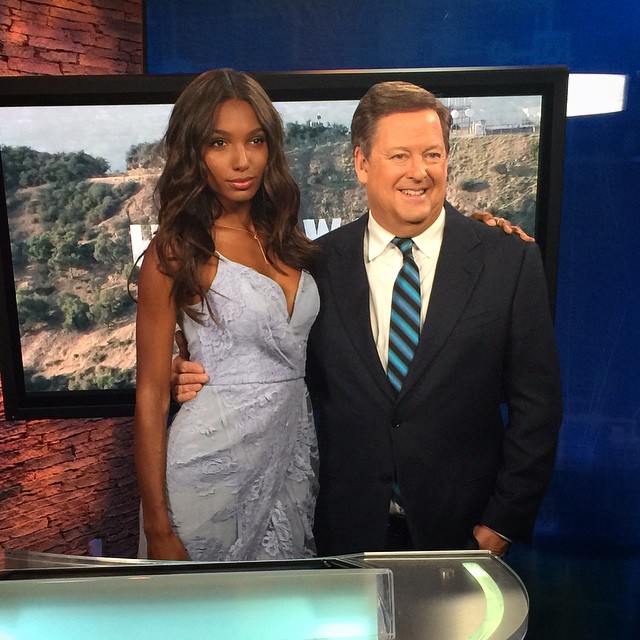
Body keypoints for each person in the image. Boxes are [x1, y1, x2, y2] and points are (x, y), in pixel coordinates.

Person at [173, 80, 563, 558]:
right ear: (361, 163)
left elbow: (538, 407)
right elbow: (276, 371)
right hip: (342, 536)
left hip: (462, 537)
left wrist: (500, 525)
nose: (419, 171)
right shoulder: (314, 266)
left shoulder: (508, 260)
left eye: (433, 154)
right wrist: (190, 374)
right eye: (400, 155)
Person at [133, 69, 320, 562]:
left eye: (255, 140)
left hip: (288, 461)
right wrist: (157, 527)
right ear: (194, 152)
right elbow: (151, 393)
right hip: (208, 469)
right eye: (219, 143)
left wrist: (474, 230)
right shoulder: (175, 251)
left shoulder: (286, 237)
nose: (242, 160)